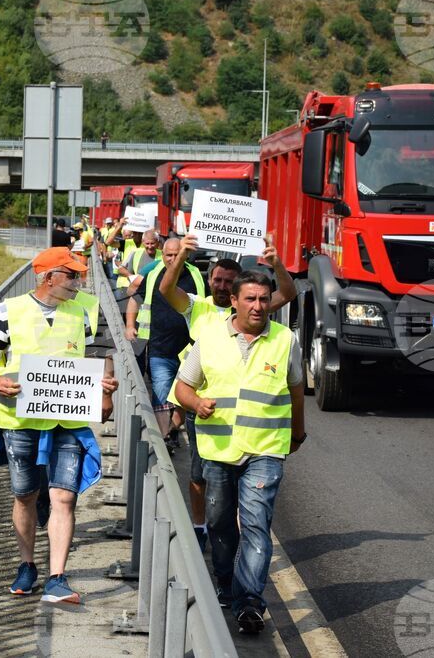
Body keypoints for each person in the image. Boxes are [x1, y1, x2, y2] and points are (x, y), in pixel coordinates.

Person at [0, 247, 119, 604]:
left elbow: (101, 357)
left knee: (64, 496)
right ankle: (27, 565)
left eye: (78, 275)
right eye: (71, 275)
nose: (77, 281)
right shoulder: (10, 310)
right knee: (24, 495)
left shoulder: (84, 310)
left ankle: (57, 578)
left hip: (66, 419)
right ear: (48, 277)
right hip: (19, 418)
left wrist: (106, 391)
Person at [174, 270, 306, 635]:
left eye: (264, 299)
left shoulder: (284, 340)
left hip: (265, 450)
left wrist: (298, 431)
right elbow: (183, 387)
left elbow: (296, 390)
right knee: (219, 523)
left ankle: (249, 600)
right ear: (234, 301)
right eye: (250, 299)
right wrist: (197, 402)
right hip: (218, 450)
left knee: (255, 524)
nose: (259, 306)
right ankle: (226, 581)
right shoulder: (210, 336)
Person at [158, 233, 297, 551]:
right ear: (210, 280)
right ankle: (199, 525)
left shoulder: (254, 306)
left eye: (228, 281)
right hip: (199, 401)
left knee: (234, 481)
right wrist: (181, 256)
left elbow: (288, 292)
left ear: (237, 291)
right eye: (217, 280)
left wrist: (276, 263)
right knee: (198, 472)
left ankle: (233, 531)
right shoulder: (197, 307)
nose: (221, 285)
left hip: (245, 410)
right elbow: (166, 289)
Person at [125, 238, 206, 449]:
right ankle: (163, 443)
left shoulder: (195, 275)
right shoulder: (153, 275)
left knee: (182, 395)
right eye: (169, 255)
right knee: (161, 394)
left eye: (176, 254)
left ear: (185, 254)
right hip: (160, 348)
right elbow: (135, 299)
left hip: (190, 349)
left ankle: (172, 431)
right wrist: (129, 325)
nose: (172, 259)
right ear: (163, 256)